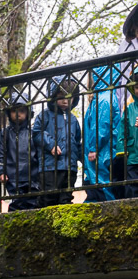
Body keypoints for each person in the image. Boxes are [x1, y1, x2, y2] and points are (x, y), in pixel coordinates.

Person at [32, 78, 81, 206]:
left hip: (70, 166)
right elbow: (37, 132)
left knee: (66, 198)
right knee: (49, 197)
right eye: (61, 97)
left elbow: (77, 141)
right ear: (53, 97)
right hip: (50, 166)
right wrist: (50, 144)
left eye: (69, 97)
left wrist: (82, 158)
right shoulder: (44, 115)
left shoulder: (73, 119)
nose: (65, 101)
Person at [0, 93, 40, 211]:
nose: (18, 114)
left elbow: (38, 154)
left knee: (33, 204)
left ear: (27, 113)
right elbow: (0, 154)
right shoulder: (6, 133)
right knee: (17, 203)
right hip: (13, 176)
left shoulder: (33, 132)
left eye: (21, 111)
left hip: (32, 176)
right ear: (9, 113)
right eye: (14, 111)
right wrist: (1, 171)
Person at [83, 65, 122, 202]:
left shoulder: (103, 99)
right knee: (98, 185)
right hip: (101, 151)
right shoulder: (103, 97)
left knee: (102, 185)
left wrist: (93, 148)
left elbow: (100, 126)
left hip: (101, 153)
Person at [116, 66, 138, 198]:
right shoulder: (129, 109)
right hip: (132, 157)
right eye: (136, 87)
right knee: (132, 189)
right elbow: (122, 132)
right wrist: (121, 150)